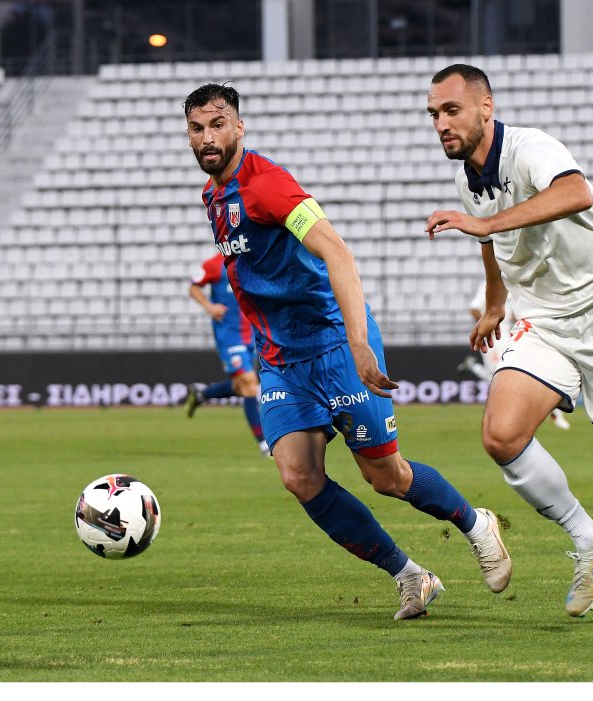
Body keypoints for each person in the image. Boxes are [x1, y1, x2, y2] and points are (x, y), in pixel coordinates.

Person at [184, 82, 512, 620]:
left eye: (218, 125)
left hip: (335, 344)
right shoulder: (213, 197)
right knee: (298, 476)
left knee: (387, 478)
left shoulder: (268, 185)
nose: (207, 138)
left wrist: (359, 344)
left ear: (239, 127)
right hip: (281, 360)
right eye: (197, 129)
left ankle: (477, 525)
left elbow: (337, 252)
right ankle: (411, 576)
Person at [425, 64, 593, 628]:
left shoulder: (531, 148)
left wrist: (486, 225)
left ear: (486, 108)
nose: (441, 123)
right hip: (545, 319)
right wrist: (494, 304)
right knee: (501, 435)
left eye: (451, 110)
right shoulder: (467, 181)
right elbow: (491, 242)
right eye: (433, 114)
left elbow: (574, 192)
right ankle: (587, 537)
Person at [184, 251, 270, 457]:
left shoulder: (252, 259)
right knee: (249, 384)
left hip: (251, 334)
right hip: (229, 336)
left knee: (241, 386)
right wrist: (209, 306)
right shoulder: (214, 264)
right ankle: (264, 444)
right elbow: (193, 287)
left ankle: (203, 394)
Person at [460, 280, 570, 431]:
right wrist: (488, 321)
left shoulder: (514, 282)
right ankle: (544, 411)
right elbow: (474, 309)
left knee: (511, 373)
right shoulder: (488, 284)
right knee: (498, 375)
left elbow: (513, 314)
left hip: (509, 335)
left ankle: (548, 410)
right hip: (493, 338)